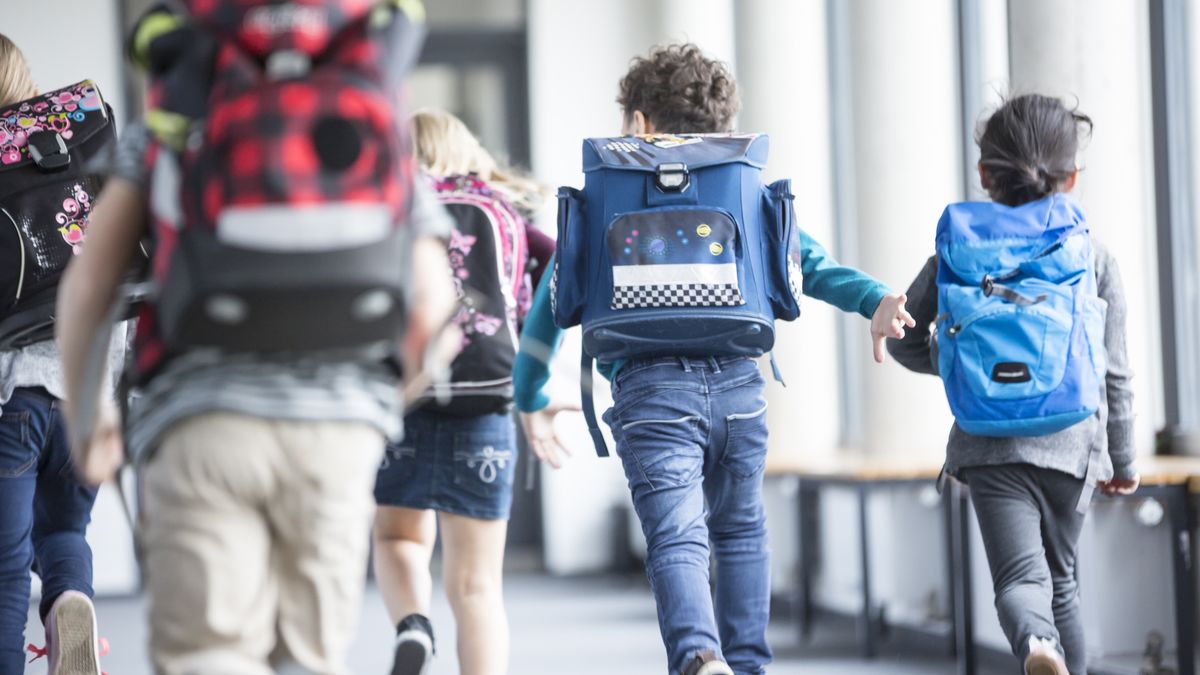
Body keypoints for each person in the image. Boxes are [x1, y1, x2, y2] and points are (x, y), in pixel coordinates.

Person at [53, 9, 459, 675]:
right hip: (336, 436)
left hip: (201, 423)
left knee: (208, 653)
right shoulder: (372, 110)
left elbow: (89, 283)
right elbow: (436, 303)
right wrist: (381, 404)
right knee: (307, 658)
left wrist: (86, 419)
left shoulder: (182, 106)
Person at [513, 43, 914, 675]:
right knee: (741, 530)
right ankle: (748, 664)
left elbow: (547, 315)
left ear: (639, 123)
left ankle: (700, 657)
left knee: (678, 536)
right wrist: (876, 300)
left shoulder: (603, 200)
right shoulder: (742, 192)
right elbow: (811, 264)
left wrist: (530, 394)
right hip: (739, 391)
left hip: (649, 397)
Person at [887, 94, 1138, 675]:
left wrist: (965, 368)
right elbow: (1115, 370)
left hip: (989, 443)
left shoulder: (955, 252)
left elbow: (902, 339)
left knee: (1020, 580)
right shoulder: (1092, 254)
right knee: (1063, 582)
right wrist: (1122, 460)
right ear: (1071, 177)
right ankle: (1055, 651)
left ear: (984, 174)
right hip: (1072, 443)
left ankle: (1037, 645)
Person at [373, 109, 556, 675]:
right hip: (486, 400)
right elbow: (551, 273)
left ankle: (413, 624)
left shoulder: (392, 206)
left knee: (398, 537)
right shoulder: (503, 211)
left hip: (403, 396)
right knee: (478, 586)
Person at [0, 33, 120, 675]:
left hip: (10, 403)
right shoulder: (73, 144)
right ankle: (71, 602)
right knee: (65, 533)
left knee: (4, 571)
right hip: (84, 392)